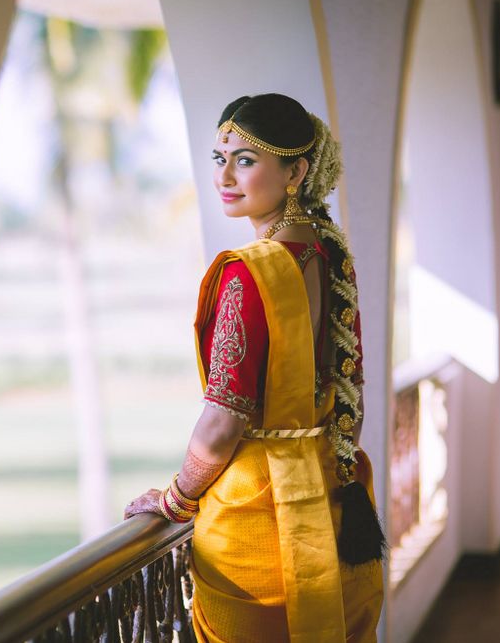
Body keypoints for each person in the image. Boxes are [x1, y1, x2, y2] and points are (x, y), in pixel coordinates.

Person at [123, 93, 386, 642]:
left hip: (258, 519)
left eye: (246, 159)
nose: (226, 176)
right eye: (221, 159)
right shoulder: (327, 252)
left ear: (296, 170)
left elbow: (224, 420)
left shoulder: (251, 273)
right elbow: (350, 386)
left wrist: (175, 500)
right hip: (330, 492)